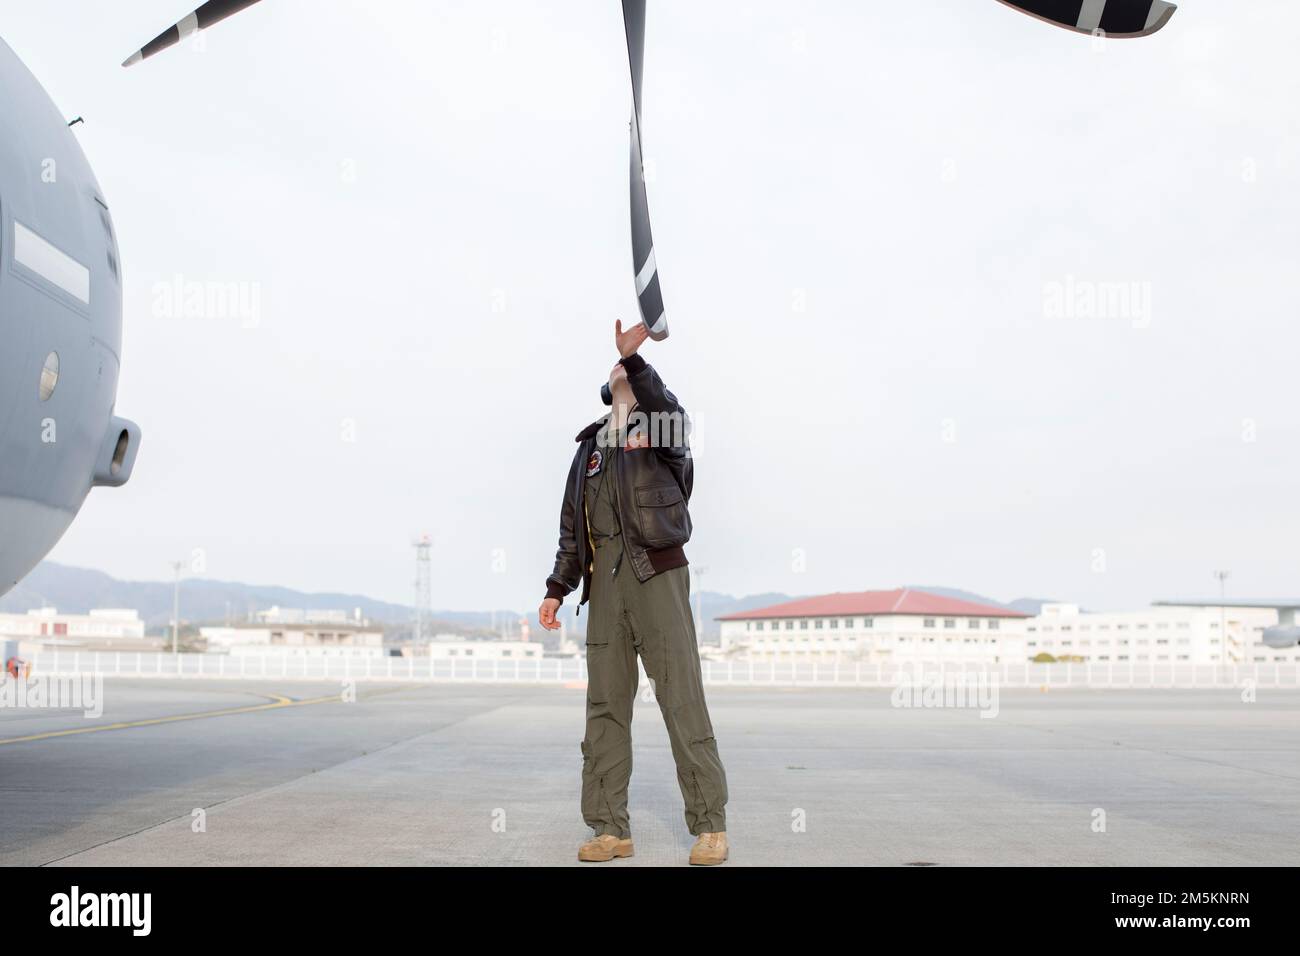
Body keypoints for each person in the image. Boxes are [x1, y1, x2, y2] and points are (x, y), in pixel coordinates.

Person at [538, 320, 729, 865]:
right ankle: (609, 828)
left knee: (681, 698)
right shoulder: (589, 451)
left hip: (657, 575)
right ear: (606, 388)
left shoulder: (662, 437)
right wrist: (558, 587)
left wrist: (638, 362)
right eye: (617, 372)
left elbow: (673, 415)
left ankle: (711, 826)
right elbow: (573, 531)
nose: (622, 374)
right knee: (604, 707)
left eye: (629, 374)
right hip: (606, 585)